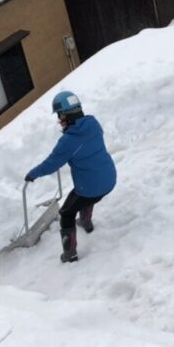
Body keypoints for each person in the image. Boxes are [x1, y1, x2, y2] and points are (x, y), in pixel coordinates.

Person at [25, 91, 116, 263]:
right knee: (82, 194)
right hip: (109, 178)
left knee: (66, 213)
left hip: (92, 187)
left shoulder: (68, 141)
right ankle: (86, 222)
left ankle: (70, 254)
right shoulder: (93, 123)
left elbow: (51, 164)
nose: (59, 121)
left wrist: (32, 174)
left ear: (66, 115)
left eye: (60, 117)